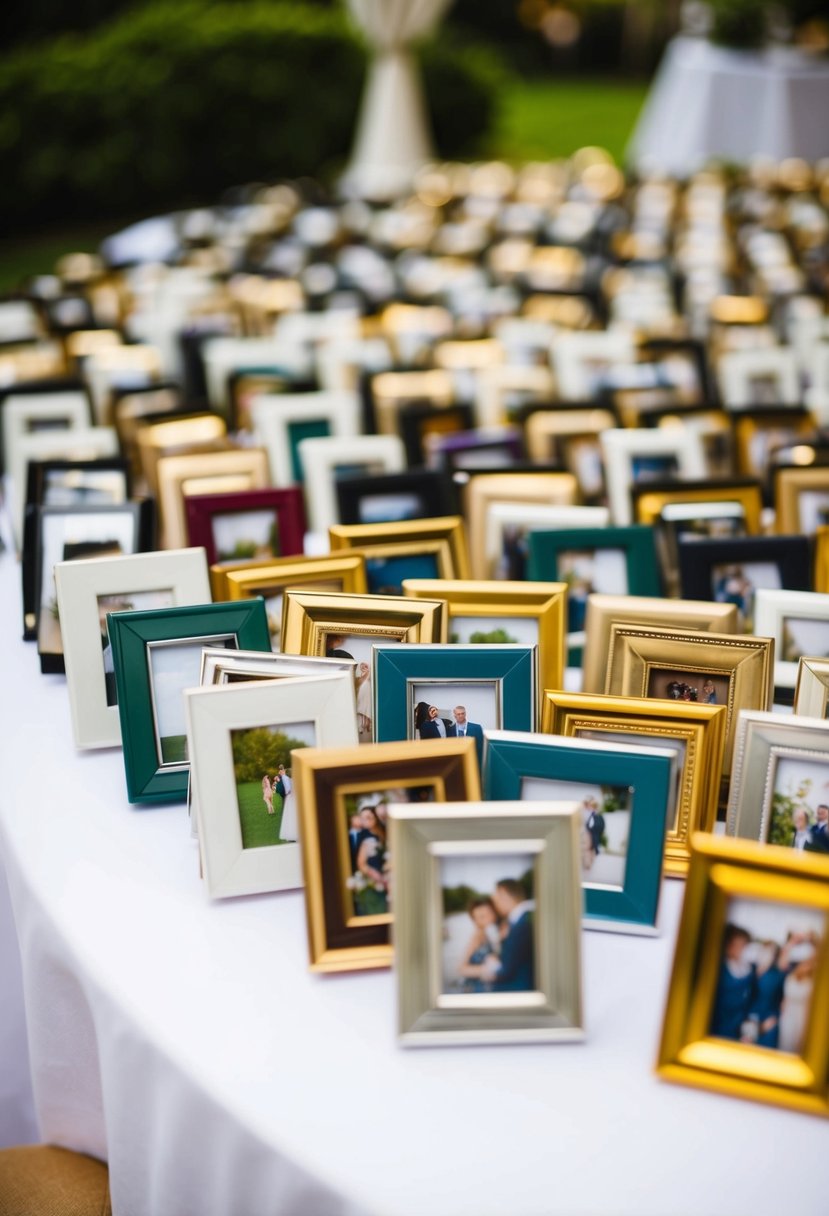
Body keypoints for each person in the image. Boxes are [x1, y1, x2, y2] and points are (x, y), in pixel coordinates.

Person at [481, 878, 535, 993]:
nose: (496, 905)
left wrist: (491, 965)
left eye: (496, 900)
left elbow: (507, 970)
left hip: (518, 991)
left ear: (503, 893)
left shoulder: (523, 924)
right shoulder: (518, 920)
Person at [709, 924, 756, 1041]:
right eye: (740, 944)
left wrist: (748, 1030)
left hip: (738, 1028)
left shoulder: (748, 969)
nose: (743, 948)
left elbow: (751, 999)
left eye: (745, 945)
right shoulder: (719, 968)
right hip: (719, 1026)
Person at [456, 897, 504, 993]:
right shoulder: (477, 936)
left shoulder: (499, 930)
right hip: (475, 989)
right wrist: (486, 970)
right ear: (475, 921)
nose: (487, 919)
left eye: (489, 913)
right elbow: (461, 968)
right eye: (481, 917)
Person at [778, 949, 818, 1055]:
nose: (807, 967)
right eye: (805, 964)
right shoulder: (790, 978)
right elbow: (785, 1000)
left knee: (797, 1045)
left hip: (801, 1016)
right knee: (785, 1042)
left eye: (809, 964)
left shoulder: (811, 982)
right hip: (788, 1015)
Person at [582, 796, 605, 871]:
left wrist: (596, 832)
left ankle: (589, 863)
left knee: (592, 848)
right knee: (587, 848)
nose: (590, 806)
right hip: (587, 833)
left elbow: (601, 825)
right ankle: (587, 863)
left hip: (594, 834)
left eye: (591, 805)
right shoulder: (586, 812)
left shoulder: (597, 814)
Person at [275, 764, 296, 841]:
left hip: (290, 800)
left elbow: (288, 790)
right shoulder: (294, 779)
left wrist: (282, 777)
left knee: (290, 817)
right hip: (294, 799)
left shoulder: (285, 778)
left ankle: (291, 834)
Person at [355, 662, 372, 743]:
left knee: (364, 725)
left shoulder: (368, 680)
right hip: (360, 706)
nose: (364, 668)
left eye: (365, 667)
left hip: (365, 705)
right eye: (362, 667)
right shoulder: (358, 680)